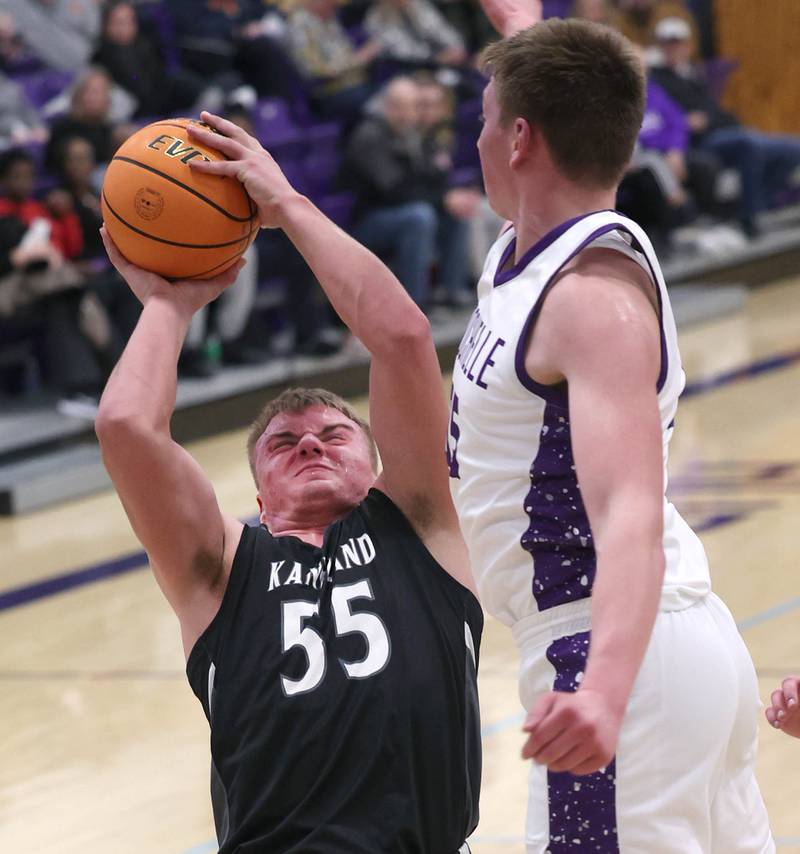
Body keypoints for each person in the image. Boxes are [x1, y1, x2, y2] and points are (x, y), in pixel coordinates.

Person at [95, 108, 482, 852]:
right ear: (258, 496)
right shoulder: (219, 572)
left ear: (376, 466)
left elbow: (400, 337)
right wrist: (169, 306)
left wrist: (287, 207)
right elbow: (125, 428)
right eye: (283, 443)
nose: (310, 442)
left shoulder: (421, 525)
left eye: (335, 434)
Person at [446, 1, 774, 850]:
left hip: (611, 654)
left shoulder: (590, 300)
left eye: (486, 125)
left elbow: (627, 512)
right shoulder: (538, 251)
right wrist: (526, 26)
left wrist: (604, 692)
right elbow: (569, 102)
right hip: (663, 651)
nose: (475, 142)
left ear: (519, 141)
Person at [650, 15, 800, 237]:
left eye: (677, 43)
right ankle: (752, 216)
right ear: (661, 47)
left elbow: (717, 115)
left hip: (724, 132)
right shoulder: (658, 80)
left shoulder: (694, 75)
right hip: (700, 144)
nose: (673, 49)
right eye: (668, 44)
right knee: (748, 144)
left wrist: (709, 120)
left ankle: (760, 206)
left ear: (687, 45)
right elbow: (675, 121)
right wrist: (691, 122)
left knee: (792, 148)